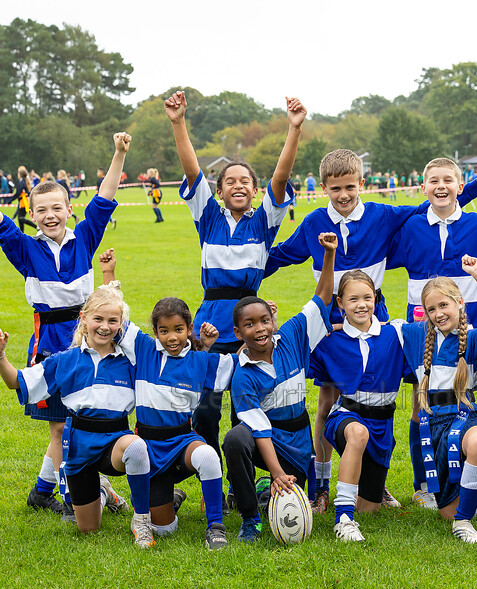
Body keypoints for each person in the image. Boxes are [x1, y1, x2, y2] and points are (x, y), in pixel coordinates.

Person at [264, 149, 477, 512]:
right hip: (331, 322)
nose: (343, 195)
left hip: (374, 316)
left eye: (350, 187)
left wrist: (472, 191)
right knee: (327, 400)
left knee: (381, 395)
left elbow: (428, 207)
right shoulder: (312, 223)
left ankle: (375, 483)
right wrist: (245, 273)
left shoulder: (382, 215)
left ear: (362, 184)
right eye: (335, 188)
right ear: (323, 187)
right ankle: (321, 485)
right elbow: (283, 254)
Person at [0, 132, 131, 521]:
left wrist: (117, 153)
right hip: (50, 348)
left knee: (85, 423)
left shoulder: (85, 237)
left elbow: (106, 197)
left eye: (56, 208)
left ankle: (45, 491)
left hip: (92, 344)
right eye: (41, 209)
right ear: (32, 212)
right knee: (61, 428)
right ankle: (71, 498)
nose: (49, 215)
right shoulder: (26, 249)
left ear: (69, 209)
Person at [164, 90, 303, 490]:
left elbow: (280, 176)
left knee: (246, 414)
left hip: (248, 326)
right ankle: (212, 478)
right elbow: (192, 171)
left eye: (245, 180)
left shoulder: (263, 223)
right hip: (210, 326)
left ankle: (247, 484)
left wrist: (293, 129)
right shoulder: (208, 219)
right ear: (220, 191)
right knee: (205, 409)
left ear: (256, 191)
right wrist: (178, 122)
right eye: (230, 181)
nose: (238, 185)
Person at [388, 157, 477, 511]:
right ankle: (425, 484)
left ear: (461, 187)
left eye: (449, 180)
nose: (441, 186)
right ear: (422, 187)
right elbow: (375, 255)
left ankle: (471, 470)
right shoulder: (412, 228)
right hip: (424, 335)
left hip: (469, 335)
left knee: (464, 401)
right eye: (433, 180)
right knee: (421, 405)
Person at [0, 283, 156, 548]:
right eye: (98, 319)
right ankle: (102, 493)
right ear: (83, 319)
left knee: (137, 447)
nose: (104, 326)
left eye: (112, 321)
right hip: (79, 450)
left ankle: (141, 520)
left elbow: (162, 358)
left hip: (115, 443)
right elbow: (17, 382)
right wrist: (0, 355)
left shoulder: (130, 360)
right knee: (88, 529)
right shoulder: (65, 360)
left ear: (121, 324)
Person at [99, 251, 236, 550]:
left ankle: (215, 527)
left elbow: (241, 367)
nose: (171, 337)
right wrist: (108, 274)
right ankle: (171, 499)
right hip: (148, 448)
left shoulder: (201, 361)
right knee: (165, 530)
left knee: (208, 456)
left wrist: (271, 333)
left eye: (178, 330)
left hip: (182, 441)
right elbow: (116, 317)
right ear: (156, 332)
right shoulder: (144, 349)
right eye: (164, 331)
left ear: (189, 328)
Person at [223, 232, 337, 543]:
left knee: (289, 493)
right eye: (249, 324)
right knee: (235, 438)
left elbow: (323, 298)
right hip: (266, 442)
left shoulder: (293, 337)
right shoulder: (242, 374)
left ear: (272, 320)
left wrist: (328, 255)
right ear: (238, 331)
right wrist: (276, 473)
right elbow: (258, 429)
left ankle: (265, 487)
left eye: (263, 321)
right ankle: (249, 518)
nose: (259, 329)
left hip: (297, 447)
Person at [399, 256, 477, 542]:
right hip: (433, 425)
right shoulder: (415, 335)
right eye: (431, 309)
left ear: (459, 302)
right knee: (446, 511)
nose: (438, 313)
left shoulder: (474, 338)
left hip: (464, 416)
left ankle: (464, 523)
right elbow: (372, 326)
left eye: (444, 305)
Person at [308, 270, 409, 541]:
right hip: (346, 417)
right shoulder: (329, 341)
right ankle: (344, 517)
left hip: (382, 427)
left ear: (376, 298)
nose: (361, 304)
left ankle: (364, 496)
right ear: (340, 303)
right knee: (357, 433)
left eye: (367, 297)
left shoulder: (395, 335)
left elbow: (436, 338)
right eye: (353, 299)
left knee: (370, 508)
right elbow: (291, 354)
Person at [12, 166, 38, 232]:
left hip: (24, 202)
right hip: (23, 201)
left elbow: (18, 193)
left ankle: (36, 227)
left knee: (21, 219)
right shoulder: (24, 181)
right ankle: (22, 234)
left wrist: (9, 200)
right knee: (20, 219)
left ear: (20, 175)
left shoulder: (21, 182)